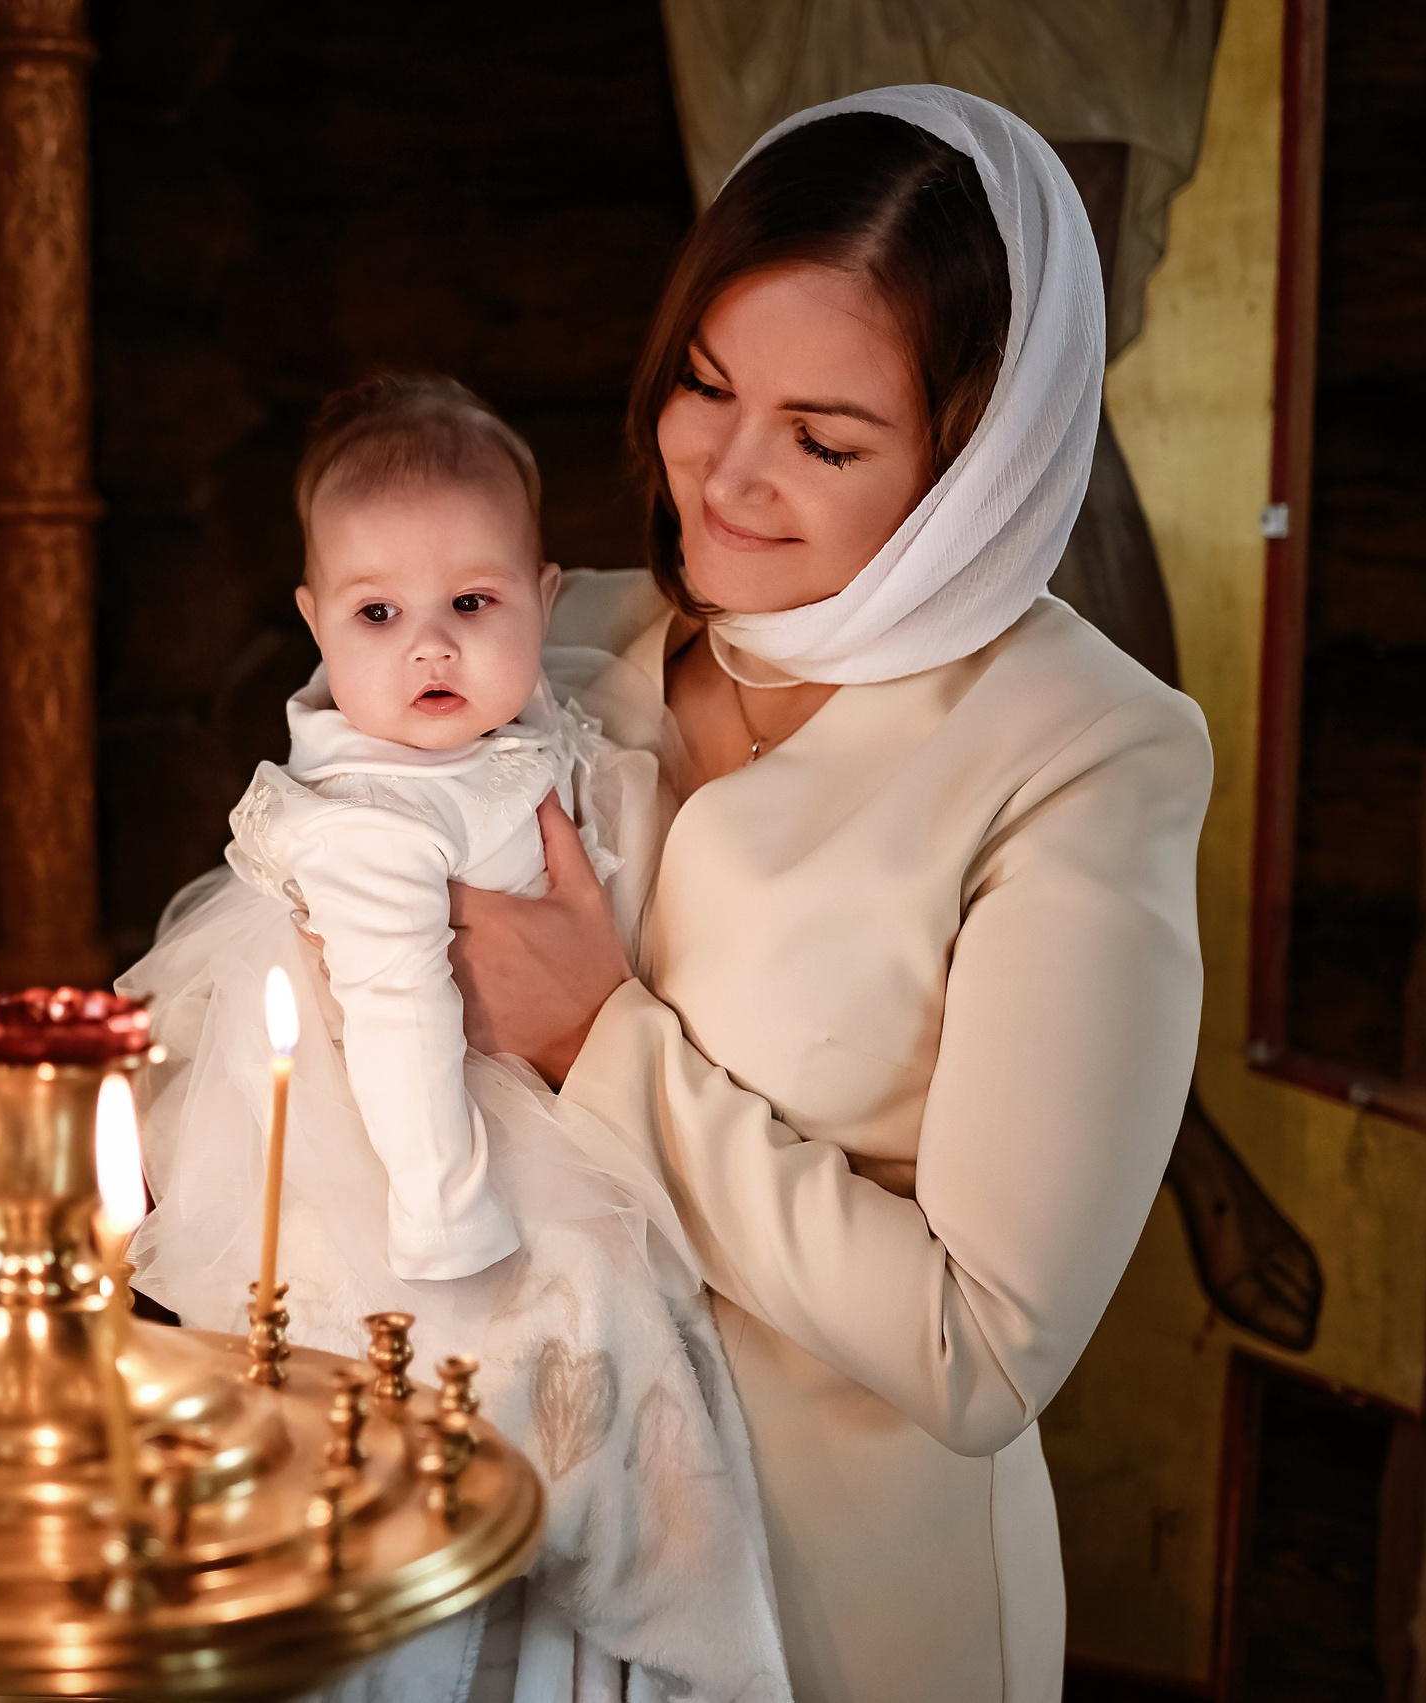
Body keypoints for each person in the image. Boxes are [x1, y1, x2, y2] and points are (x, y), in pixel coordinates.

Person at [443, 87, 1210, 1701]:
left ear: (973, 457)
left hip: (835, 1614)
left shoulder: (1081, 752)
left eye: (827, 438)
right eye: (706, 388)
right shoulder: (569, 636)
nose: (724, 475)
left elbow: (982, 1342)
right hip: (525, 1568)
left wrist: (606, 1044)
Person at [124, 374, 786, 1702]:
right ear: (315, 624)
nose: (430, 649)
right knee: (539, 1341)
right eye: (379, 615)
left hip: (498, 1093)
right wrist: (446, 1212)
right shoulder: (378, 818)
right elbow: (402, 1025)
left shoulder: (503, 739)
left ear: (543, 598)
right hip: (411, 1154)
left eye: (470, 608)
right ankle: (626, 1617)